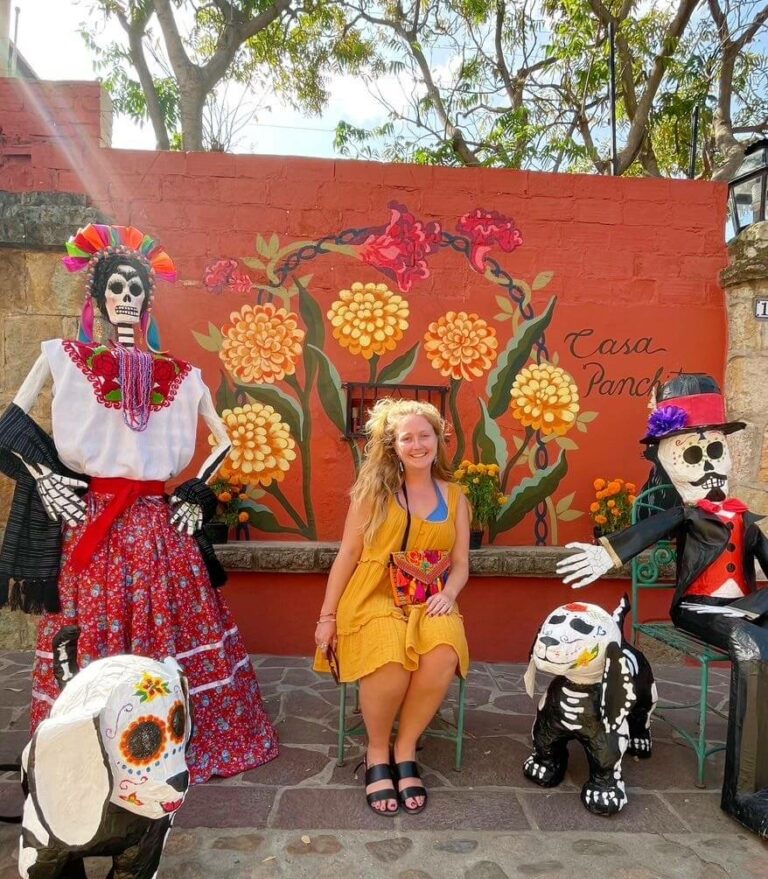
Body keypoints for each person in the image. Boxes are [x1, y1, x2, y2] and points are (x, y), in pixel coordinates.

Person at [0, 223, 278, 785]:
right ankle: (89, 748)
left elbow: (223, 441)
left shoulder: (182, 375)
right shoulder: (62, 358)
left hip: (158, 528)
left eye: (135, 290)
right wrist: (45, 477)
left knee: (167, 629)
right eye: (116, 288)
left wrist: (197, 490)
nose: (125, 298)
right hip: (90, 525)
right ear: (98, 297)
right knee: (88, 630)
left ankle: (164, 741)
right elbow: (8, 424)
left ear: (147, 301)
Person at [556, 373, 768, 837]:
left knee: (760, 638)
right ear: (671, 462)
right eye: (693, 454)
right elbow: (649, 529)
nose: (708, 463)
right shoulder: (688, 513)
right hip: (698, 608)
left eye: (714, 450)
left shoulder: (745, 520)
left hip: (746, 607)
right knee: (756, 648)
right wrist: (608, 552)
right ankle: (745, 795)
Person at [314, 399, 470, 815]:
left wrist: (449, 594)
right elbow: (347, 554)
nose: (417, 444)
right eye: (407, 438)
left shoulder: (455, 497)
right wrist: (327, 616)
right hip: (372, 592)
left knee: (443, 651)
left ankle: (406, 749)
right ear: (393, 446)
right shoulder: (373, 494)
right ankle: (377, 751)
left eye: (425, 435)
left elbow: (461, 564)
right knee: (389, 656)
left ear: (438, 439)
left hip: (430, 595)